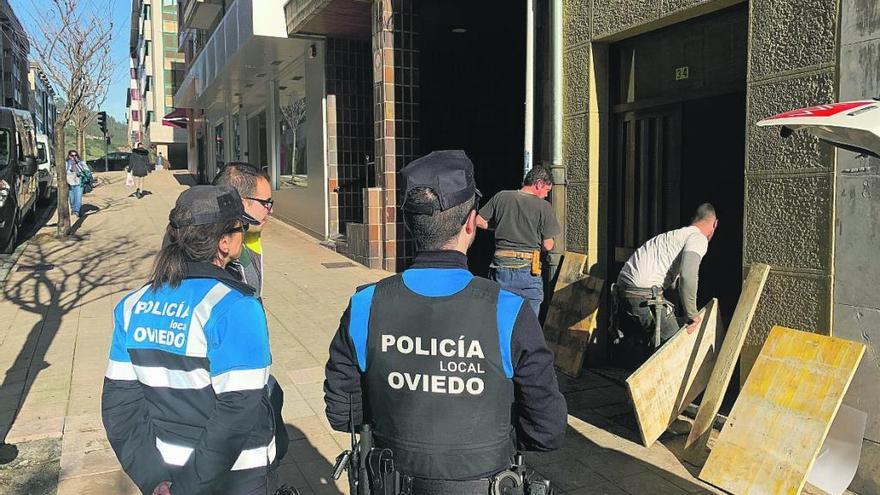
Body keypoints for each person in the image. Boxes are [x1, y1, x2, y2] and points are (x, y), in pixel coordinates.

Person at [324, 150, 567, 493]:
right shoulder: (509, 310)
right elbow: (548, 429)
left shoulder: (366, 304)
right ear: (471, 223)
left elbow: (342, 413)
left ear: (408, 224)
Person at [102, 185, 278, 495]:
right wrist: (189, 488)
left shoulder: (132, 305)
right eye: (240, 228)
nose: (244, 235)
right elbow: (239, 410)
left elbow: (120, 408)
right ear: (224, 243)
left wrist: (153, 479)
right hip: (233, 476)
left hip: (165, 471)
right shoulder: (236, 308)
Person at [614, 203, 719, 354]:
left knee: (652, 344)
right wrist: (692, 314)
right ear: (715, 223)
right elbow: (688, 276)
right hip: (642, 295)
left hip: (623, 293)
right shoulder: (698, 238)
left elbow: (675, 283)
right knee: (674, 348)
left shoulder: (674, 237)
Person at [476, 166, 561, 316]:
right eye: (547, 190)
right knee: (528, 323)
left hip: (500, 268)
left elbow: (479, 221)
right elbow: (548, 245)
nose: (546, 195)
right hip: (528, 271)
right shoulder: (544, 207)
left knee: (500, 319)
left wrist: (500, 227)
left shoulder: (502, 196)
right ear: (539, 184)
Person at [212, 162, 273, 297]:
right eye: (266, 203)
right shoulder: (209, 253)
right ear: (240, 204)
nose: (271, 210)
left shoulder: (249, 235)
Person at [65, 150, 85, 216]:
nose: (74, 157)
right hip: (70, 183)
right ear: (69, 156)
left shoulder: (81, 163)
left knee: (78, 198)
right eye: (72, 155)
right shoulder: (66, 163)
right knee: (72, 199)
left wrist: (77, 164)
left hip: (79, 183)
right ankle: (73, 209)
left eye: (75, 155)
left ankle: (77, 211)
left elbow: (85, 170)